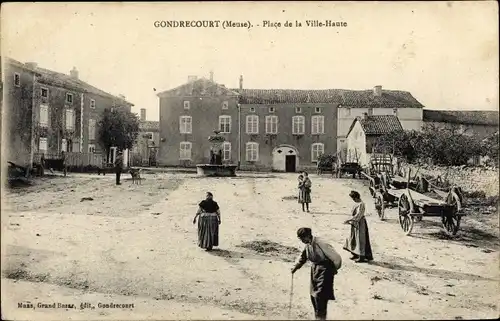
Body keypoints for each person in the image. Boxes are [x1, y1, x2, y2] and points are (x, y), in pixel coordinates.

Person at [291, 227, 342, 320]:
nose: (302, 240)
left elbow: (337, 258)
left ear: (307, 236)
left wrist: (331, 271)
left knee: (321, 296)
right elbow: (303, 257)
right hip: (315, 270)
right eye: (300, 239)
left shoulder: (321, 243)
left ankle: (321, 318)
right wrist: (296, 267)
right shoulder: (307, 244)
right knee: (313, 296)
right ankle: (318, 317)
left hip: (325, 270)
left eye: (302, 238)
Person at [343, 190, 374, 263]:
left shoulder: (361, 204)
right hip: (355, 223)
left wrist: (350, 220)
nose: (353, 200)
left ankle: (361, 257)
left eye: (353, 198)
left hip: (360, 223)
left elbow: (359, 215)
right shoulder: (356, 203)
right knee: (353, 238)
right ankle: (355, 253)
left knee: (360, 239)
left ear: (356, 197)